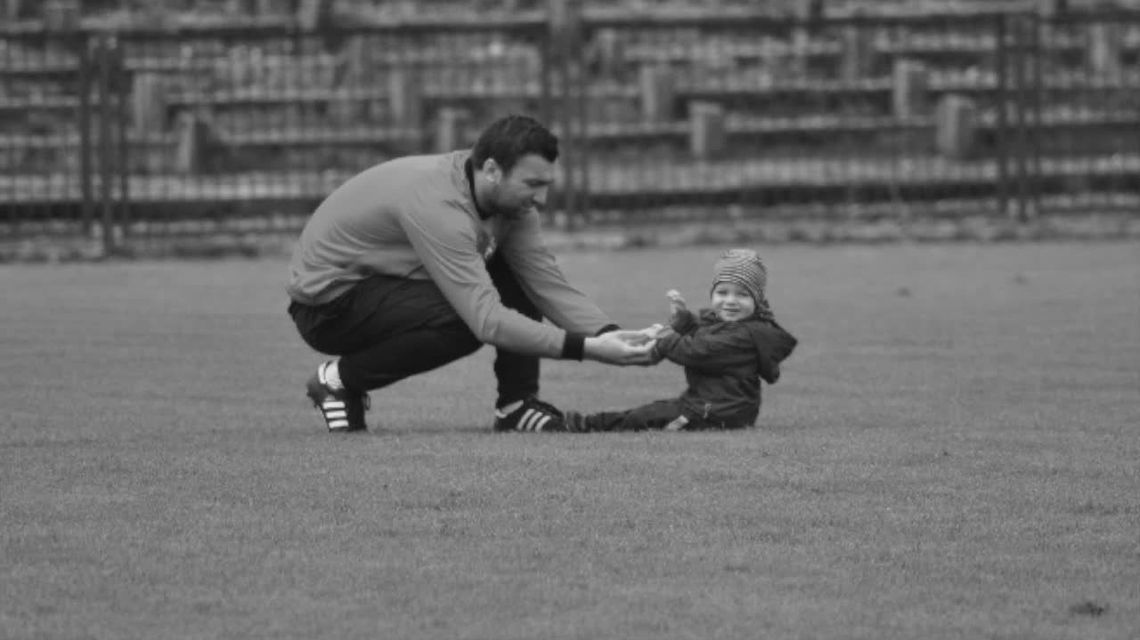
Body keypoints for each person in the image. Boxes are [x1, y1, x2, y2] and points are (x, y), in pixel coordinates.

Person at [286, 114, 656, 433]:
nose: (542, 200)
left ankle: (517, 408)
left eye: (546, 186)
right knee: (463, 321)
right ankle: (337, 381)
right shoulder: (439, 206)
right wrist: (589, 349)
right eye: (532, 185)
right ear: (492, 170)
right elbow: (487, 321)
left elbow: (546, 284)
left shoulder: (511, 207)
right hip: (327, 306)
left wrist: (611, 334)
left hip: (384, 282)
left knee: (514, 274)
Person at [564, 249, 797, 432]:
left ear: (757, 300)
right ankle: (586, 422)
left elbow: (698, 351)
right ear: (712, 294)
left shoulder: (744, 336)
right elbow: (704, 334)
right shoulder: (734, 327)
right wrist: (683, 320)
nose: (730, 301)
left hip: (715, 413)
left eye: (742, 294)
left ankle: (585, 425)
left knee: (646, 416)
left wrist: (664, 337)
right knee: (654, 410)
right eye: (722, 292)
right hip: (712, 406)